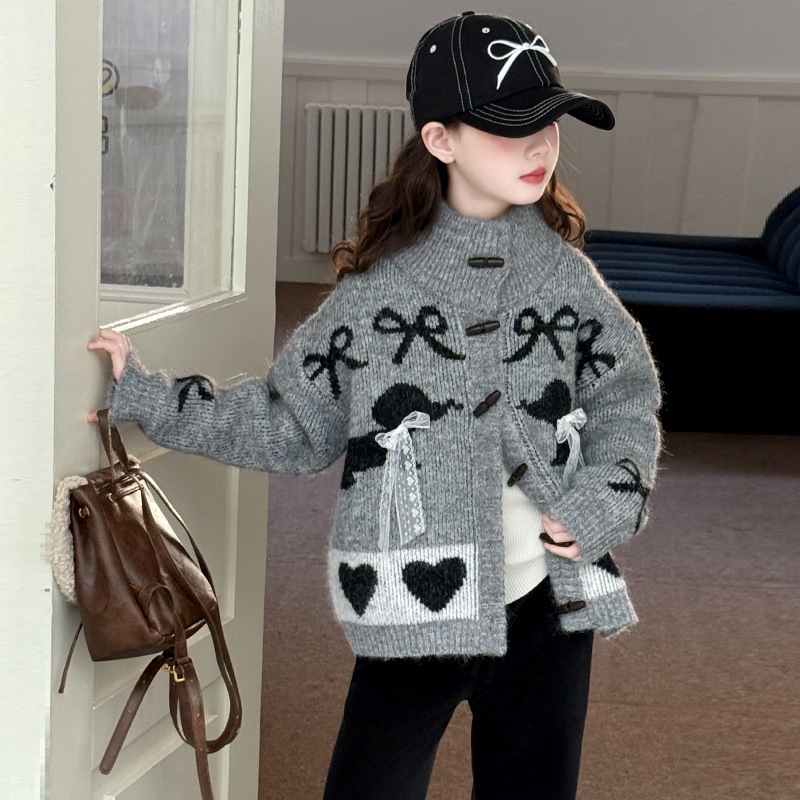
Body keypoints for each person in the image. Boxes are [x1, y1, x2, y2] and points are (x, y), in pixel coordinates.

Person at [89, 12, 662, 799]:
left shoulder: (566, 280)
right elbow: (290, 422)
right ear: (441, 139)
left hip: (548, 612)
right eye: (511, 129)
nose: (539, 148)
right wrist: (150, 398)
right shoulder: (379, 298)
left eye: (550, 126)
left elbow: (625, 398)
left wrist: (605, 499)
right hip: (414, 605)